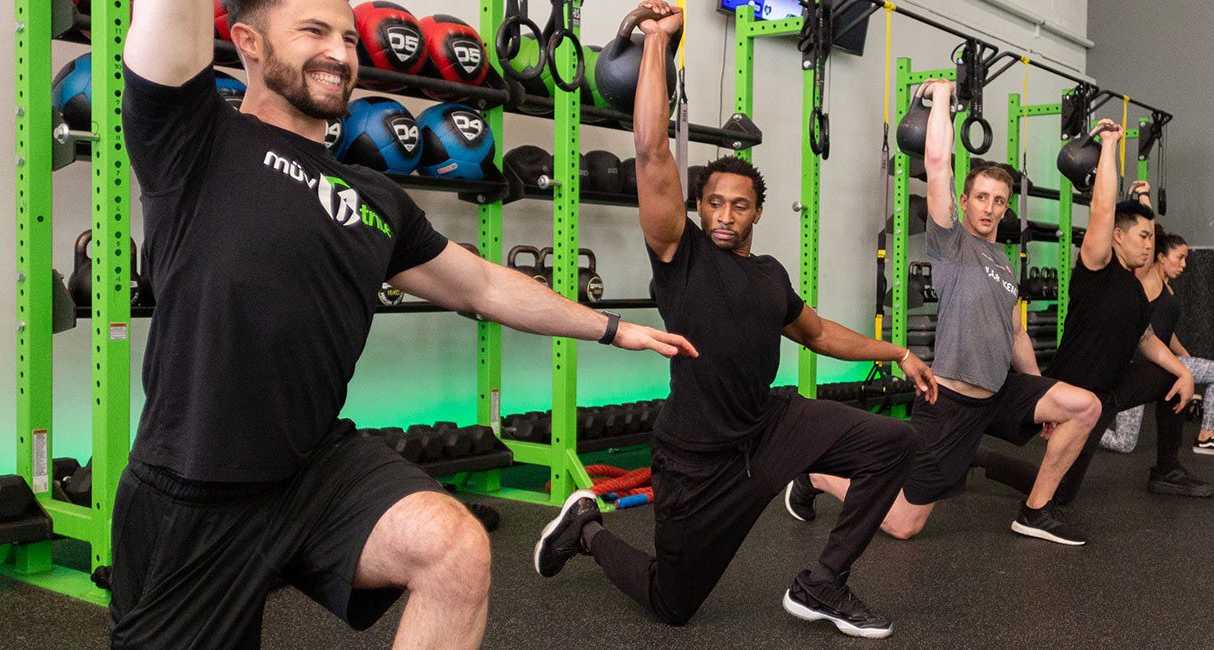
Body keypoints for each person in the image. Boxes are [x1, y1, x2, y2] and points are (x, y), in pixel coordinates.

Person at [111, 1, 698, 646]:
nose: (340, 52)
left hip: (313, 468)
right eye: (312, 32)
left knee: (453, 549)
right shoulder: (192, 139)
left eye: (345, 36)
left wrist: (612, 328)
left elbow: (479, 284)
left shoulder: (375, 198)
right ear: (247, 42)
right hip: (195, 482)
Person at [531, 2, 936, 639]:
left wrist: (898, 354)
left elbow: (821, 334)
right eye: (713, 203)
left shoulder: (771, 274)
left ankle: (823, 583)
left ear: (756, 214)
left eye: (738, 206)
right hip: (696, 459)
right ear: (698, 207)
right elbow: (648, 149)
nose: (724, 215)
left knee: (898, 443)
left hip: (770, 426)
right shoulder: (679, 252)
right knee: (673, 603)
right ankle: (584, 529)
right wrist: (660, 43)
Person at [784, 78, 1102, 546]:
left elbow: (1014, 332)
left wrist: (1039, 395)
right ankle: (814, 476)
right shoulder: (952, 244)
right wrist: (942, 101)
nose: (990, 208)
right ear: (965, 200)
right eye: (981, 197)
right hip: (950, 403)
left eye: (999, 200)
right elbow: (936, 164)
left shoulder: (1006, 262)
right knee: (903, 525)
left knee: (1084, 405)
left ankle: (1035, 513)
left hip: (999, 392)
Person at [1035, 119, 1208, 521]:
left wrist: (1181, 370)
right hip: (1076, 394)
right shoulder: (1097, 267)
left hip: (1109, 392)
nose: (1150, 245)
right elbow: (1102, 207)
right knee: (1057, 494)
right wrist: (1111, 144)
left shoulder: (1135, 287)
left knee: (1168, 377)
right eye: (1144, 237)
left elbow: (1144, 338)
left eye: (1152, 238)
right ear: (1116, 236)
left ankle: (1166, 469)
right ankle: (982, 459)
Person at [1100, 184, 1214, 457]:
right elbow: (1149, 235)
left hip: (1164, 359)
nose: (1184, 263)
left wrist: (1185, 357)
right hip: (1139, 365)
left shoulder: (1168, 288)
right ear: (1161, 258)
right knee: (1124, 443)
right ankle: (1081, 426)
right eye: (1181, 257)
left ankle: (1206, 436)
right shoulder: (1146, 275)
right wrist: (1144, 198)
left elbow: (1163, 330)